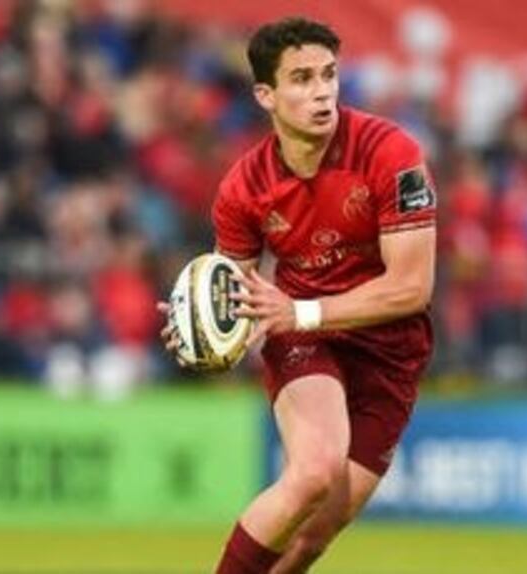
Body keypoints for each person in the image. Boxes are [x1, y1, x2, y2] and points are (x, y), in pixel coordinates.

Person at [158, 17, 436, 574]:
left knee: (313, 537)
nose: (322, 92)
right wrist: (201, 325)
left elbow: (411, 287)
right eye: (302, 79)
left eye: (329, 75)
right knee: (313, 472)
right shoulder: (244, 187)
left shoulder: (391, 153)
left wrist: (300, 311)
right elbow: (234, 289)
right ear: (266, 95)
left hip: (390, 350)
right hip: (304, 338)